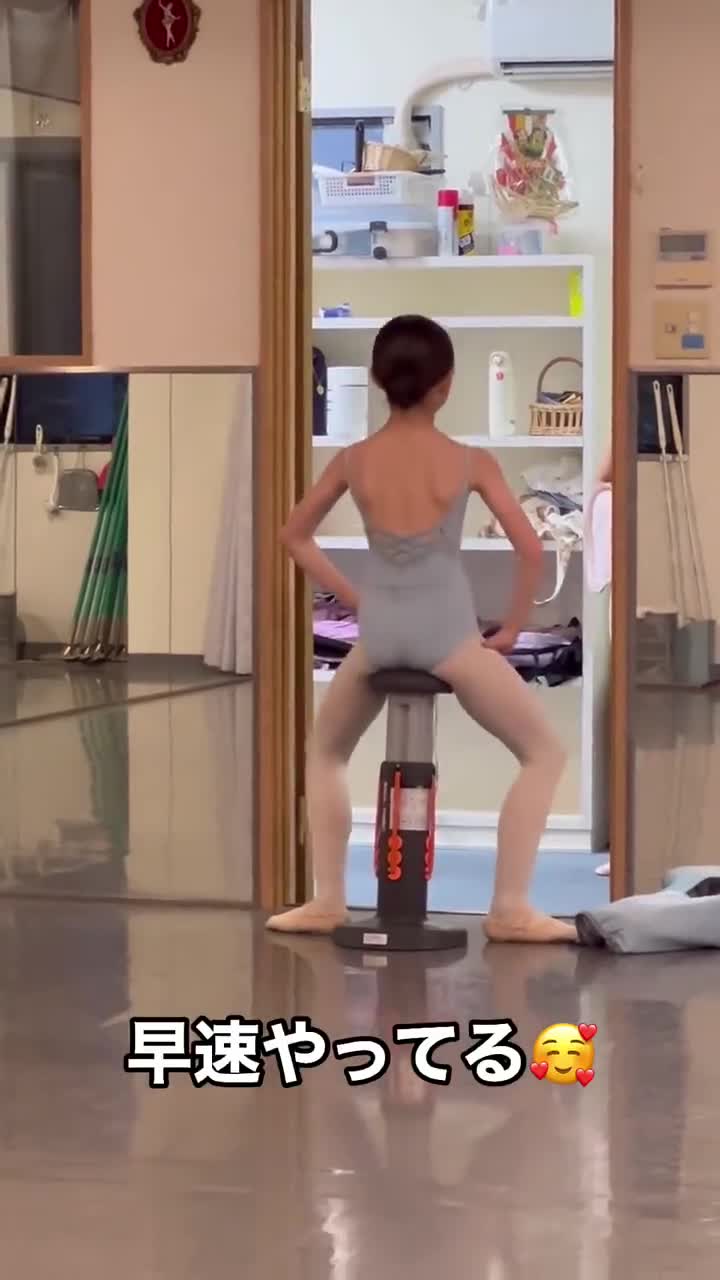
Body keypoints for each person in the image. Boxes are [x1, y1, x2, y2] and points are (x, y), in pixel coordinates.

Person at [268, 315, 575, 944]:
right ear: (446, 384)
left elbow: (294, 535)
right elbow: (529, 547)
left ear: (378, 379)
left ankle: (327, 900)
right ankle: (510, 907)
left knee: (325, 753)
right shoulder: (469, 461)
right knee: (544, 752)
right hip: (449, 635)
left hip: (379, 634)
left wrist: (356, 597)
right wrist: (512, 628)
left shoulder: (353, 460)